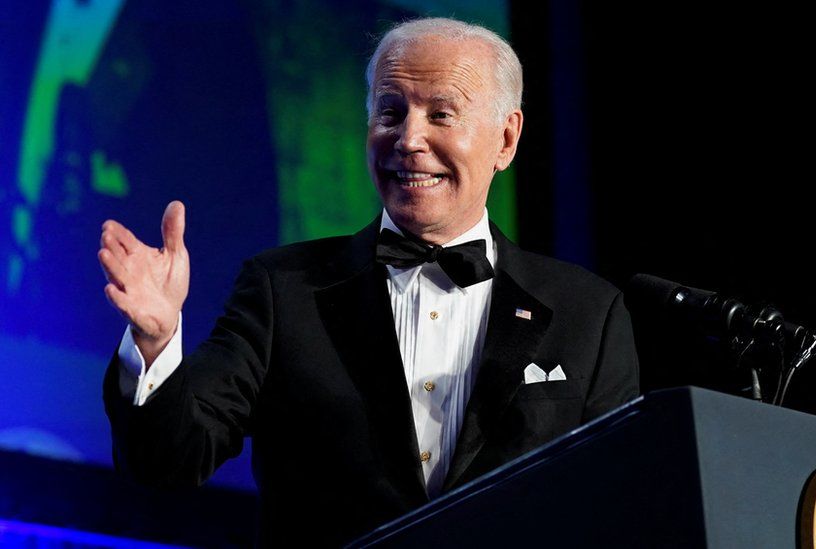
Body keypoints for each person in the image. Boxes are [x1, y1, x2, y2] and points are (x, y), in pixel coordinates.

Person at [99, 17, 639, 547]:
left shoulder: (587, 312)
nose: (409, 139)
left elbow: (619, 505)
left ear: (505, 138)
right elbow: (168, 463)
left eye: (441, 115)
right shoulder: (283, 289)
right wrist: (156, 344)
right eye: (390, 111)